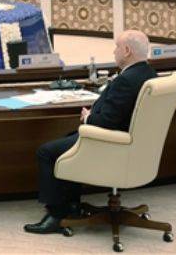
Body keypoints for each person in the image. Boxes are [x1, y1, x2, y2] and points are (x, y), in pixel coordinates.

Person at [25, 31, 157, 234]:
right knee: (68, 139)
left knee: (47, 152)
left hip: (111, 144)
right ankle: (72, 206)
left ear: (127, 51)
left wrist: (88, 117)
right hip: (134, 146)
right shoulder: (148, 74)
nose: (114, 52)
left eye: (117, 47)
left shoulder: (126, 80)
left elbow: (106, 122)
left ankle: (56, 215)